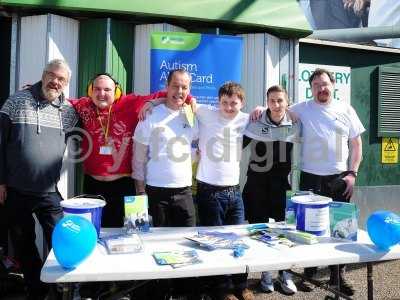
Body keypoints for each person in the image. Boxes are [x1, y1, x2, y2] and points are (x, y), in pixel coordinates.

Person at [0, 59, 78, 299]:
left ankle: (60, 288)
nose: (55, 81)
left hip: (48, 192)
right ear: (43, 74)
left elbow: (93, 114)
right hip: (15, 190)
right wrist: (0, 181)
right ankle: (36, 289)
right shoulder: (16, 100)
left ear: (66, 84)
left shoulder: (68, 111)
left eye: (61, 79)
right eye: (52, 75)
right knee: (24, 246)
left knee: (63, 242)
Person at [290, 68, 365, 296]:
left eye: (324, 84)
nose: (321, 88)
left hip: (339, 178)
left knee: (339, 228)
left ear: (333, 85)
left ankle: (337, 277)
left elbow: (357, 145)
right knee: (308, 227)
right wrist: (258, 109)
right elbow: (277, 108)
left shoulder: (346, 109)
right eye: (316, 85)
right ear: (311, 88)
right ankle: (309, 273)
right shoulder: (302, 108)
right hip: (310, 176)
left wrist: (352, 173)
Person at [69, 73, 173, 228]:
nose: (101, 94)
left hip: (123, 185)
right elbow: (59, 99)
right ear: (91, 91)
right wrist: (35, 92)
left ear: (116, 92)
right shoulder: (83, 105)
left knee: (127, 232)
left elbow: (172, 94)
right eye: (97, 89)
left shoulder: (131, 102)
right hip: (92, 185)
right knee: (93, 230)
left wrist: (154, 102)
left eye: (107, 89)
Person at [194, 82, 254, 300]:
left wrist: (260, 110)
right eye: (225, 103)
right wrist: (153, 101)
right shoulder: (206, 113)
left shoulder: (247, 118)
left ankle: (241, 285)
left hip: (234, 191)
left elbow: (275, 113)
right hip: (209, 191)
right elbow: (180, 98)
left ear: (242, 103)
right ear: (218, 102)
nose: (229, 107)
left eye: (234, 103)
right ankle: (222, 289)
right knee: (215, 241)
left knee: (238, 240)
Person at [242, 85, 300, 295]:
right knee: (260, 229)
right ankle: (266, 274)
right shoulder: (255, 121)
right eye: (272, 101)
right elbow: (235, 144)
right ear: (266, 102)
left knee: (285, 231)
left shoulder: (295, 123)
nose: (276, 105)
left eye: (280, 101)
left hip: (281, 185)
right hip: (256, 183)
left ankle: (285, 274)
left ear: (287, 102)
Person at [132, 69, 198, 227]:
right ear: (167, 87)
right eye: (175, 86)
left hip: (185, 192)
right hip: (155, 192)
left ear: (189, 90)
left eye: (184, 87)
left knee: (186, 241)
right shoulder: (149, 115)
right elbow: (138, 158)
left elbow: (196, 148)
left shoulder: (193, 116)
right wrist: (140, 192)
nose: (179, 91)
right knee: (155, 244)